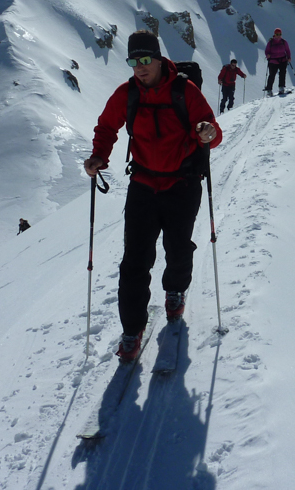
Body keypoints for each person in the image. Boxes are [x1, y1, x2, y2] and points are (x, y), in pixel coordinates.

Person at [83, 31, 222, 362]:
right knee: (134, 260)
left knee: (178, 248)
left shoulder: (184, 92)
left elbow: (212, 133)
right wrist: (98, 157)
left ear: (159, 60)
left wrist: (207, 132)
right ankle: (131, 330)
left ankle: (174, 291)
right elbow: (106, 127)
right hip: (143, 185)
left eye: (145, 60)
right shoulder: (127, 93)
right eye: (133, 61)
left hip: (182, 185)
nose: (140, 67)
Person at [263, 28, 292, 95]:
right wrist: (267, 55)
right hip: (273, 61)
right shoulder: (271, 43)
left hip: (283, 60)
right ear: (274, 34)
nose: (279, 35)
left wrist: (289, 57)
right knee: (272, 75)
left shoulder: (284, 42)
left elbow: (287, 50)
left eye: (280, 34)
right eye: (277, 34)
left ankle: (281, 87)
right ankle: (269, 89)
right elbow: (267, 51)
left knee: (282, 74)